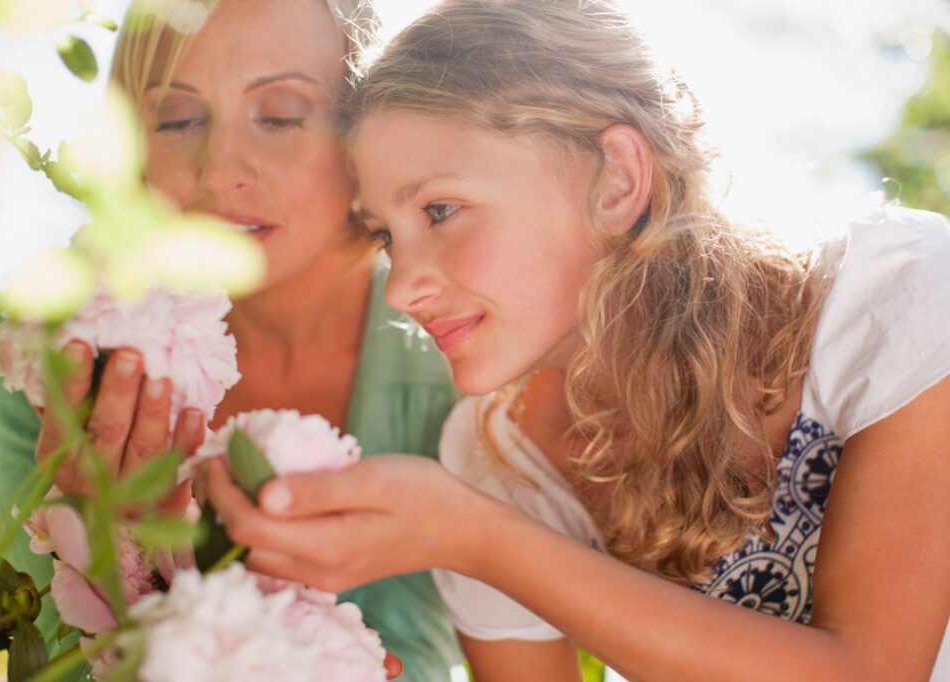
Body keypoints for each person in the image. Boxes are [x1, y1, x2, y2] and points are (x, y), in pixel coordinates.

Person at [202, 0, 950, 679]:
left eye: (440, 210)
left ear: (617, 179)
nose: (400, 288)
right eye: (386, 237)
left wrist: (474, 537)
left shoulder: (895, 299)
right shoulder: (493, 463)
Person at [0, 1, 463, 680]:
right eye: (178, 120)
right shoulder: (41, 353)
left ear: (367, 132)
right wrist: (107, 576)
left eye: (282, 115)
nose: (219, 169)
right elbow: (54, 660)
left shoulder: (459, 342)